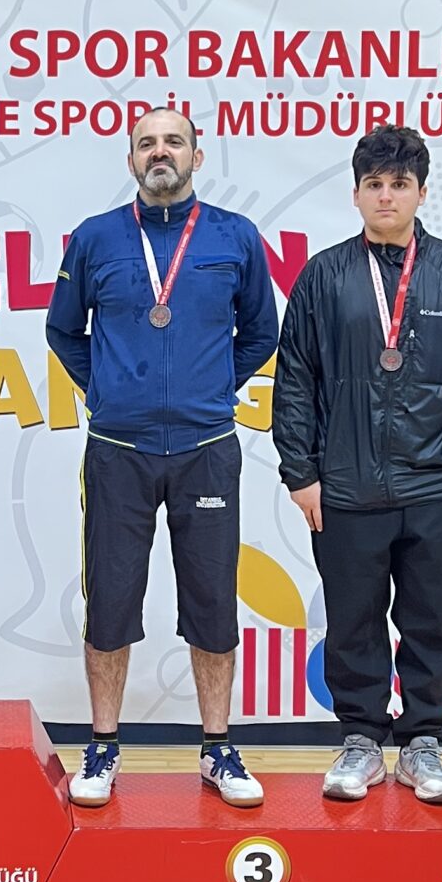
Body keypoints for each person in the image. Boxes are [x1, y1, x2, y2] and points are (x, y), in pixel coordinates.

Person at [272, 125, 442, 805]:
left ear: (422, 193)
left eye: (399, 184)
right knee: (353, 621)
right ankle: (360, 741)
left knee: (433, 621)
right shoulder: (324, 276)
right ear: (355, 194)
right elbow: (295, 380)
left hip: (440, 488)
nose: (387, 196)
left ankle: (421, 744)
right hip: (346, 487)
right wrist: (301, 472)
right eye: (374, 184)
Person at [44, 108, 280, 807]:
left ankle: (218, 748)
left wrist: (212, 388)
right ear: (131, 161)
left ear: (196, 156)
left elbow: (260, 333)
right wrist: (109, 390)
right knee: (111, 601)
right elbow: (63, 330)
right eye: (146, 143)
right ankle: (103, 746)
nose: (160, 152)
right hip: (118, 450)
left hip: (207, 449)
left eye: (173, 141)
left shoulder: (236, 237)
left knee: (212, 600)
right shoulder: (96, 238)